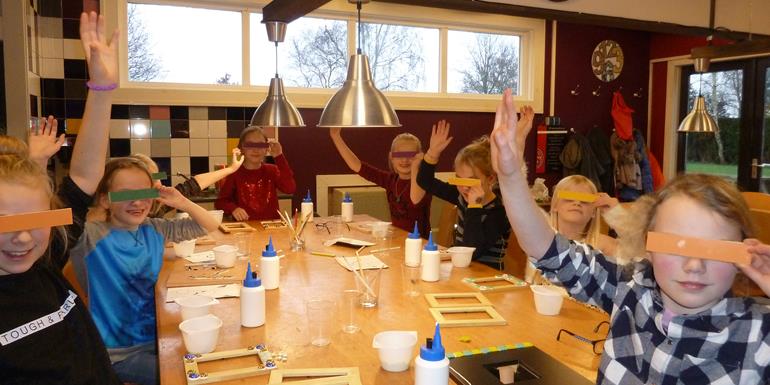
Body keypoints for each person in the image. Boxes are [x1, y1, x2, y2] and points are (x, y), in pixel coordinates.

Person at [490, 88, 770, 384]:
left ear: (742, 254)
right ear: (649, 247)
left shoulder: (757, 334)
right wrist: (509, 176)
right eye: (676, 246)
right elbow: (547, 249)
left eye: (716, 250)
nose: (694, 266)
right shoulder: (631, 289)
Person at [0, 11, 121, 384]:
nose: (22, 237)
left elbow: (84, 176)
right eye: (5, 224)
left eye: (34, 221)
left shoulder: (44, 259)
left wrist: (102, 91)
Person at [70, 156, 220, 385]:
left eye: (144, 193)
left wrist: (182, 202)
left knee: (212, 363)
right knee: (191, 378)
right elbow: (66, 215)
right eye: (126, 194)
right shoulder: (91, 236)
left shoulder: (154, 229)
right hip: (119, 354)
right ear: (105, 200)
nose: (138, 202)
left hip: (158, 338)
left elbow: (208, 225)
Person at [416, 120, 516, 269]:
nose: (463, 187)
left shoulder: (499, 212)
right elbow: (425, 181)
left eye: (471, 181)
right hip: (461, 272)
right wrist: (432, 153)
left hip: (488, 279)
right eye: (459, 178)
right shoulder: (461, 195)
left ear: (490, 179)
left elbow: (472, 250)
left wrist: (474, 206)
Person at [87, 149, 244, 220]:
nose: (158, 184)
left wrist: (231, 169)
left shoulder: (157, 204)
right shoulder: (110, 215)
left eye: (158, 178)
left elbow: (195, 183)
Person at [330, 127, 432, 237]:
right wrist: (336, 137)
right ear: (391, 157)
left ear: (419, 157)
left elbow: (416, 200)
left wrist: (418, 166)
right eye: (399, 155)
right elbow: (357, 166)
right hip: (398, 239)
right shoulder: (390, 180)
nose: (404, 160)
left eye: (410, 155)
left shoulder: (423, 182)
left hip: (419, 243)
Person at [215, 126, 296, 221]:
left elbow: (290, 188)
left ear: (266, 149)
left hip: (272, 228)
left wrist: (279, 156)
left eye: (260, 145)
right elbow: (220, 202)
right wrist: (233, 209)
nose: (255, 150)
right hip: (246, 229)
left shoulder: (272, 170)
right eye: (250, 145)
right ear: (241, 148)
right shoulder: (234, 173)